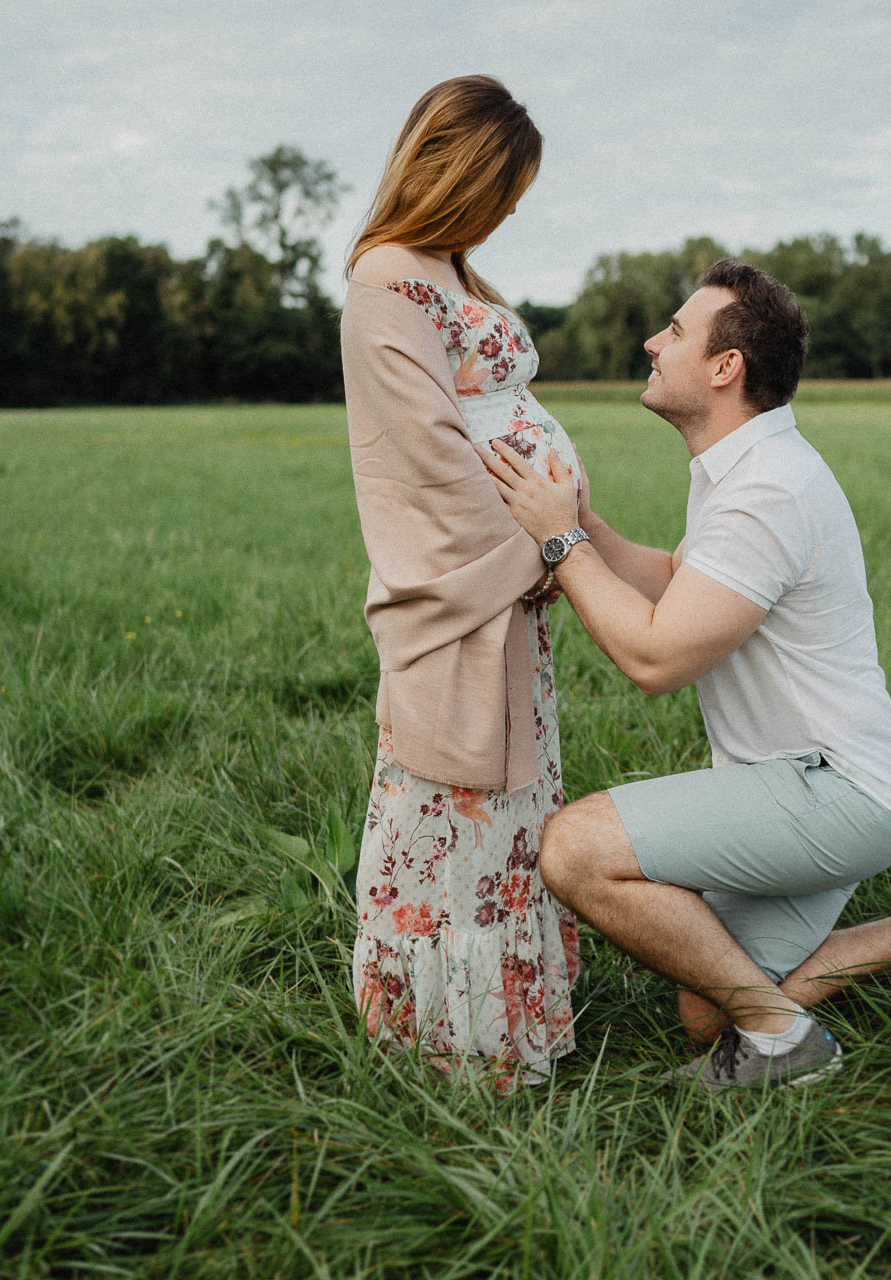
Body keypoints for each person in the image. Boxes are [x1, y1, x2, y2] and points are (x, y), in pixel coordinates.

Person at [478, 259, 891, 1089]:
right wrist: (587, 524)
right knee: (710, 1006)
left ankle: (786, 1042)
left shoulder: (766, 490)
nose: (651, 342)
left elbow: (657, 656)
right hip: (838, 784)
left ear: (724, 366)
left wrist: (563, 545)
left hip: (834, 790)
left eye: (673, 331)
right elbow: (681, 582)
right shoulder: (748, 467)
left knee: (575, 849)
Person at [340, 75, 580, 1092]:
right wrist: (546, 546)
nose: (512, 208)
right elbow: (431, 465)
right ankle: (453, 1041)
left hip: (513, 597)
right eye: (504, 186)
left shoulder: (450, 269)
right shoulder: (386, 280)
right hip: (470, 589)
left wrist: (561, 532)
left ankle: (505, 1018)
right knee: (458, 805)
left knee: (509, 806)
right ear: (459, 171)